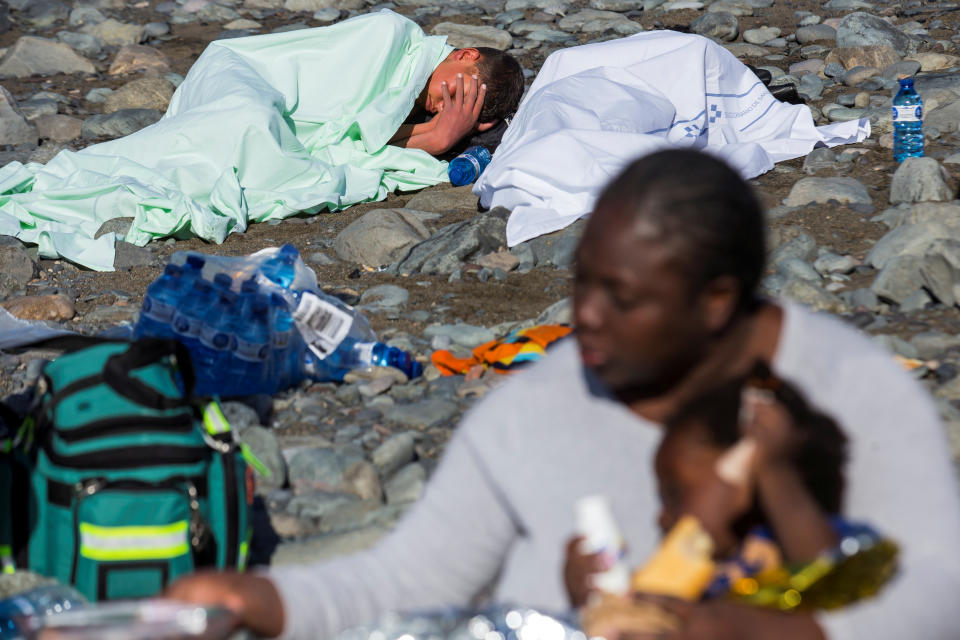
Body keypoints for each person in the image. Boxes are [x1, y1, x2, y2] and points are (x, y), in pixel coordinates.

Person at [166, 149, 960, 639]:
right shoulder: (534, 407)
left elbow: (937, 597)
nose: (584, 317)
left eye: (623, 296)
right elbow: (404, 587)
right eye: (582, 284)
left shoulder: (845, 394)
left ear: (716, 302)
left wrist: (736, 629)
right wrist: (254, 600)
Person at [567, 367, 898, 632]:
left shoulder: (790, 546)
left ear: (745, 471)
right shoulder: (704, 573)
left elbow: (832, 579)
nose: (661, 517)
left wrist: (774, 472)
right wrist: (596, 601)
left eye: (675, 494)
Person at [390, 46, 525, 155]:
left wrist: (436, 136)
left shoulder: (423, 100)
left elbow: (374, 149)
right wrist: (432, 130)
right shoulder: (391, 39)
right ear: (465, 56)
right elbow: (370, 146)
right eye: (455, 94)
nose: (443, 111)